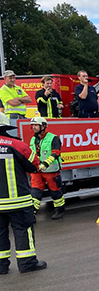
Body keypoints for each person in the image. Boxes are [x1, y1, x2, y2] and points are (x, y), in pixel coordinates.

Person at [0, 113, 47, 273]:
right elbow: (35, 166)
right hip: (18, 200)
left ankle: (1, 266)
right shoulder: (18, 145)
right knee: (23, 230)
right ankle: (27, 263)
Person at [28, 116, 65, 219]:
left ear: (43, 126)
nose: (34, 127)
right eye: (33, 126)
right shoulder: (33, 139)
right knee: (35, 193)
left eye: (36, 125)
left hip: (51, 170)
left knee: (55, 192)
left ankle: (59, 210)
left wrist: (46, 164)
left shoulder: (53, 138)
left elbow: (56, 153)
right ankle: (32, 214)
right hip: (37, 171)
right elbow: (32, 154)